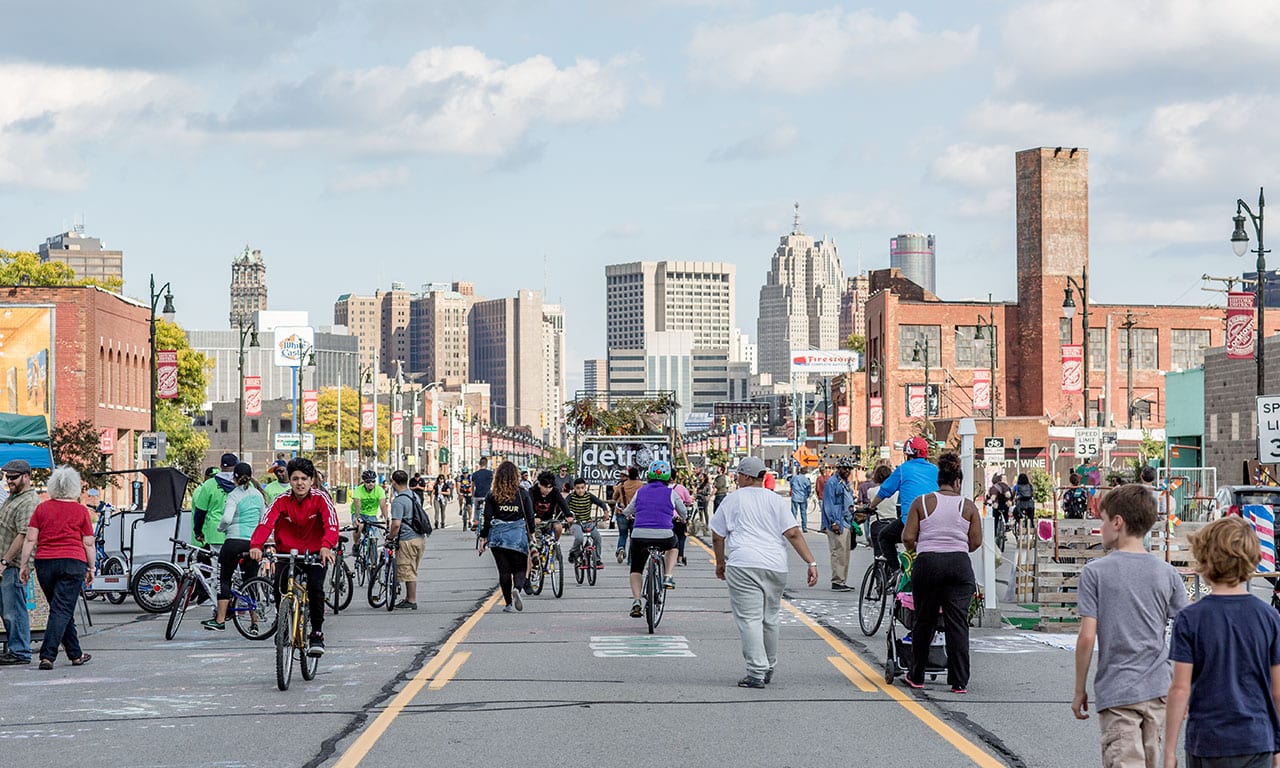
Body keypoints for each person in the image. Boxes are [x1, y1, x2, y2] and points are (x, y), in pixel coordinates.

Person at [1071, 483, 1188, 768]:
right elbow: (1187, 630)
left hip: (1118, 690)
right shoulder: (1167, 573)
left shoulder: (1095, 572)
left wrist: (1079, 689)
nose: (1101, 527)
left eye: (1103, 519)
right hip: (1159, 689)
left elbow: (1087, 637)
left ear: (1118, 522)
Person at [1165, 516, 1280, 768]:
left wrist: (1169, 750)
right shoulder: (1270, 617)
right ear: (1251, 559)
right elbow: (1276, 691)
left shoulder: (1189, 618)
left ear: (1204, 560)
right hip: (1257, 737)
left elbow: (1180, 689)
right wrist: (1277, 745)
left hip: (1208, 740)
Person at [711, 456, 820, 689]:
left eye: (739, 474)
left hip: (743, 564)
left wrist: (720, 563)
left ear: (748, 476)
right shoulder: (776, 500)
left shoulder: (732, 500)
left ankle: (756, 671)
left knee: (749, 618)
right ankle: (769, 666)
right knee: (770, 618)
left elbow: (717, 535)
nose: (737, 478)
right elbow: (792, 533)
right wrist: (811, 562)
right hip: (775, 566)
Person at [901, 452, 982, 694]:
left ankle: (916, 675)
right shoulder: (968, 506)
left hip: (928, 564)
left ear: (939, 480)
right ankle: (959, 681)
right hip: (958, 565)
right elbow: (975, 541)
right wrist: (955, 549)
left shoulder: (921, 502)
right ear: (958, 482)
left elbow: (907, 537)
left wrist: (923, 547)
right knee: (957, 623)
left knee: (924, 620)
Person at [249, 457, 339, 657]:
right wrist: (256, 545)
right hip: (287, 554)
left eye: (304, 478)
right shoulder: (281, 501)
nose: (300, 483)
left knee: (316, 590)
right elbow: (266, 523)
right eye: (295, 478)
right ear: (289, 480)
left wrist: (326, 546)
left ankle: (316, 633)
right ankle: (282, 623)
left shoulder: (320, 499)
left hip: (315, 554)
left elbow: (331, 524)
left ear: (311, 480)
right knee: (279, 588)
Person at [16, 466, 94, 670]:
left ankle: (76, 654)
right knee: (62, 609)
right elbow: (88, 543)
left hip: (45, 564)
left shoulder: (42, 508)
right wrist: (92, 567)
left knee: (61, 609)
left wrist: (24, 565)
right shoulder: (81, 510)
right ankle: (47, 655)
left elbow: (31, 539)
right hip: (73, 562)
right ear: (75, 486)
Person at [204, 462, 266, 631]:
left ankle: (220, 619)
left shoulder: (234, 495)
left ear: (234, 478)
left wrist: (220, 529)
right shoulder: (259, 495)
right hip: (253, 543)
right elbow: (263, 519)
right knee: (251, 580)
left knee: (224, 578)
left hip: (233, 541)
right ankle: (254, 623)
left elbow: (226, 519)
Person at [623, 460, 685, 617]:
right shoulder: (671, 493)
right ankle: (668, 576)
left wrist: (630, 515)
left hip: (639, 536)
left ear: (648, 475)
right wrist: (682, 518)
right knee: (674, 545)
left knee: (636, 568)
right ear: (668, 477)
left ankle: (637, 601)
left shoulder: (641, 491)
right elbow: (683, 512)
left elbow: (627, 511)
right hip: (664, 536)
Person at [868, 436, 939, 572]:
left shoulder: (903, 469)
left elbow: (885, 491)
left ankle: (896, 572)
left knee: (884, 537)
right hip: (933, 522)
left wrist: (870, 506)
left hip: (910, 522)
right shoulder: (935, 470)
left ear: (908, 454)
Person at [478, 461, 534, 613]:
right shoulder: (522, 493)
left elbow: (487, 518)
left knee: (504, 572)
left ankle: (508, 603)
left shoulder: (492, 495)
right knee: (520, 568)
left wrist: (483, 538)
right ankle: (517, 588)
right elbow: (529, 516)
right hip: (517, 534)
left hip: (497, 536)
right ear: (515, 476)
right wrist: (532, 534)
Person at [0, 459, 39, 665]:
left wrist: (5, 562)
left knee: (14, 609)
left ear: (26, 476)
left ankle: (20, 651)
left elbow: (23, 535)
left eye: (13, 477)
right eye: (7, 477)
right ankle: (15, 649)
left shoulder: (29, 501)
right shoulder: (14, 497)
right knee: (7, 609)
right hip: (6, 563)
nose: (9, 481)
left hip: (13, 565)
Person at [388, 470, 425, 611]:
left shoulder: (398, 501)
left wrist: (390, 537)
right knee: (412, 569)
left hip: (407, 539)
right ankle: (409, 598)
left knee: (408, 570)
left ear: (394, 482)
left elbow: (396, 524)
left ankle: (411, 600)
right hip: (419, 538)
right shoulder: (414, 496)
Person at [821, 458, 858, 591]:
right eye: (844, 468)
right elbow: (829, 503)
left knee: (845, 553)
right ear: (838, 468)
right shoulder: (832, 483)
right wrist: (834, 522)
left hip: (846, 522)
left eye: (849, 468)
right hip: (838, 522)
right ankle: (837, 580)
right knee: (838, 552)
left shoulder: (845, 483)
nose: (847, 470)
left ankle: (842, 580)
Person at [193, 453, 238, 548]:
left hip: (216, 534)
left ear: (221, 466)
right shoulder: (243, 484)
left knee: (217, 562)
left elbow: (200, 512)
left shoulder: (209, 484)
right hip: (238, 534)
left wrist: (198, 532)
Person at [567, 477, 609, 569]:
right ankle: (573, 552)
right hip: (576, 523)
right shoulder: (571, 497)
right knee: (579, 538)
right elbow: (564, 506)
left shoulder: (589, 496)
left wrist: (606, 512)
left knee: (597, 537)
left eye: (582, 488)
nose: (580, 490)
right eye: (578, 488)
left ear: (585, 487)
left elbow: (601, 503)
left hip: (588, 522)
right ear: (574, 488)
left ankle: (597, 559)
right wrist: (567, 516)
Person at [351, 470, 389, 550]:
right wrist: (357, 518)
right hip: (359, 512)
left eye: (373, 481)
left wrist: (386, 518)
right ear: (364, 482)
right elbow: (357, 503)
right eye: (368, 481)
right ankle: (356, 544)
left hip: (371, 515)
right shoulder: (359, 490)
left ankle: (373, 560)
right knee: (359, 526)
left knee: (375, 535)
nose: (371, 483)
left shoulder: (379, 490)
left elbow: (383, 505)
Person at [613, 466, 643, 563]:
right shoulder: (641, 485)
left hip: (622, 512)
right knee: (633, 536)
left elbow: (614, 497)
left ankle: (621, 548)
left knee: (622, 534)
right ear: (637, 475)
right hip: (636, 513)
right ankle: (631, 559)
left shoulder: (621, 485)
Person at [671, 472, 695, 566]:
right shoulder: (681, 488)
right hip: (679, 518)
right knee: (681, 537)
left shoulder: (663, 489)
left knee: (668, 538)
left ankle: (667, 557)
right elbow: (688, 501)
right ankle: (680, 558)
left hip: (666, 517)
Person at [470, 458, 494, 532]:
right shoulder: (491, 473)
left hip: (477, 496)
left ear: (479, 464)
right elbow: (493, 485)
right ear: (486, 464)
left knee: (476, 510)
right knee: (490, 509)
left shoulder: (474, 474)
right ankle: (490, 520)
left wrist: (472, 496)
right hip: (487, 496)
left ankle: (476, 521)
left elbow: (472, 486)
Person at [789, 468, 813, 533]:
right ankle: (804, 527)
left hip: (795, 497)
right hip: (803, 497)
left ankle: (793, 526)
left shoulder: (794, 478)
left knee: (794, 512)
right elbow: (809, 488)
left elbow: (791, 485)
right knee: (803, 513)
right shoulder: (806, 480)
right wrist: (807, 495)